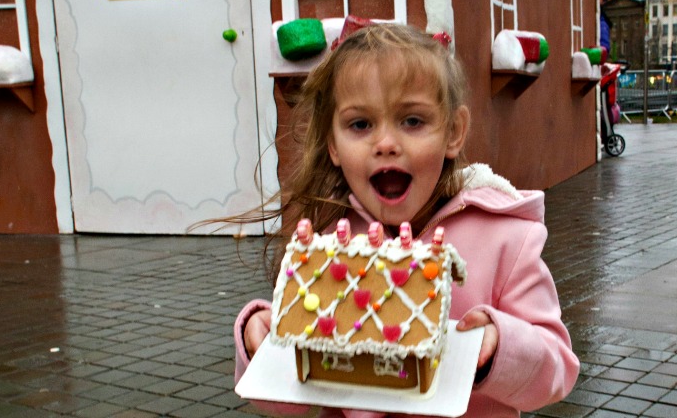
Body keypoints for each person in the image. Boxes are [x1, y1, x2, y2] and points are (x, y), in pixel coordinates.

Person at [234, 22, 579, 417]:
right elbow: (290, 401)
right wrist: (257, 340)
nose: (385, 144)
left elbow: (558, 372)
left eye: (412, 121)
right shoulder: (331, 242)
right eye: (360, 124)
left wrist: (500, 346)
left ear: (453, 132)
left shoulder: (507, 240)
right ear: (333, 145)